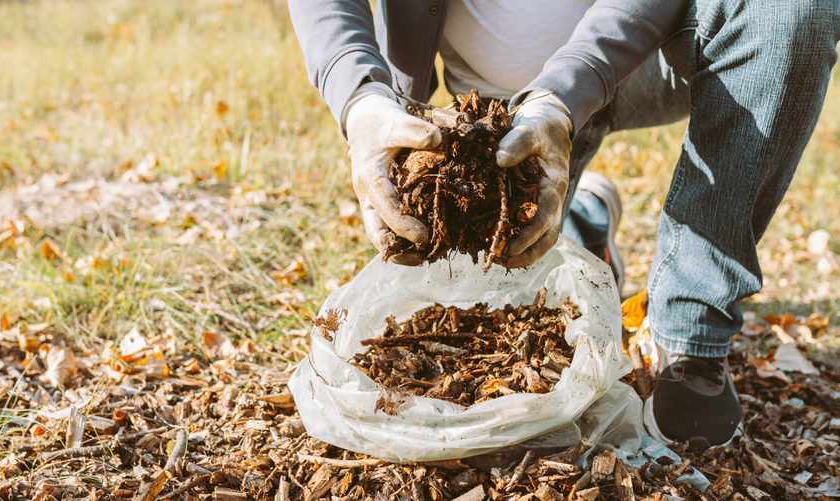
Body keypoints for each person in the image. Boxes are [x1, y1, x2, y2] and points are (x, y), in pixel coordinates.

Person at [287, 0, 839, 448]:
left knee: (794, 7)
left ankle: (692, 332)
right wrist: (360, 99)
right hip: (495, 111)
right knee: (499, 289)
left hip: (651, 54)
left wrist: (563, 96)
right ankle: (585, 221)